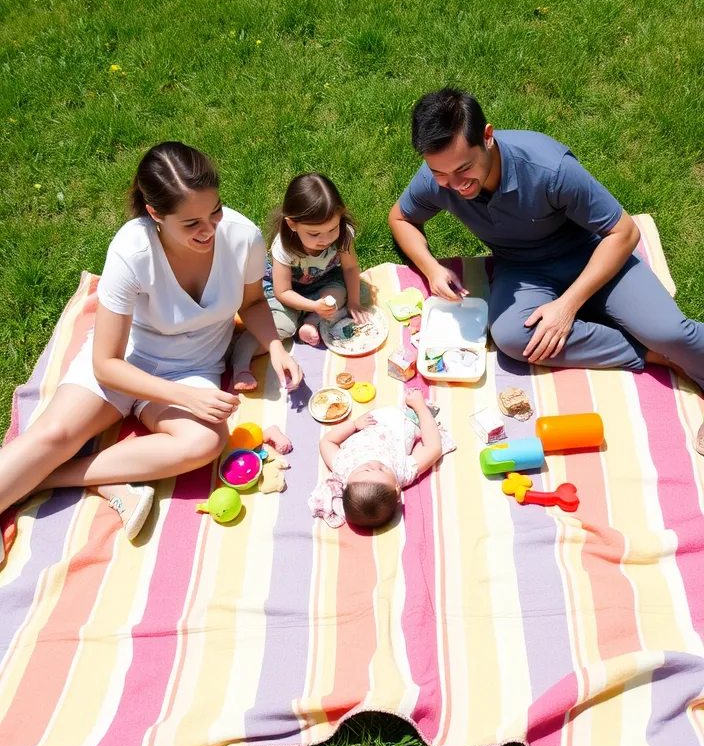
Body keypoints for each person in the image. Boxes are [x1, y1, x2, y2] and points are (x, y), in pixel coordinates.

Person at [0, 142, 303, 563]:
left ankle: (48, 479)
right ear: (154, 214)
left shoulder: (243, 237)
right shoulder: (132, 249)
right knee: (52, 436)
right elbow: (106, 363)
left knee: (203, 442)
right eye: (191, 222)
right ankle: (42, 474)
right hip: (126, 362)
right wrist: (186, 397)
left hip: (193, 366)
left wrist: (274, 346)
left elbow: (252, 304)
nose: (209, 229)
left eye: (215, 211)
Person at [389, 88, 704, 455]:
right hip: (523, 269)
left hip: (594, 257)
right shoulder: (438, 176)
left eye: (464, 169)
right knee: (510, 337)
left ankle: (666, 344)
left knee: (668, 330)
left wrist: (567, 306)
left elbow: (624, 232)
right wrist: (430, 268)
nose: (455, 186)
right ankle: (652, 354)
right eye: (439, 173)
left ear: (487, 137)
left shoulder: (549, 168)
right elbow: (400, 218)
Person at [231, 173, 369, 389]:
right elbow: (282, 292)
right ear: (292, 224)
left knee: (353, 293)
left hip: (323, 281)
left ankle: (311, 322)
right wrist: (313, 306)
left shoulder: (343, 236)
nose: (325, 239)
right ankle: (239, 364)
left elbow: (350, 268)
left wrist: (353, 303)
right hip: (288, 291)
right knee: (281, 327)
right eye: (314, 234)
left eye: (333, 228)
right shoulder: (285, 247)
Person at [309, 390, 444, 530]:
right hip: (404, 420)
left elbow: (326, 442)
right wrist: (421, 408)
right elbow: (433, 448)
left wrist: (353, 425)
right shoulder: (402, 474)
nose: (374, 463)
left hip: (370, 420)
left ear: (346, 483)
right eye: (382, 470)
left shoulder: (343, 467)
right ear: (396, 490)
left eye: (365, 469)